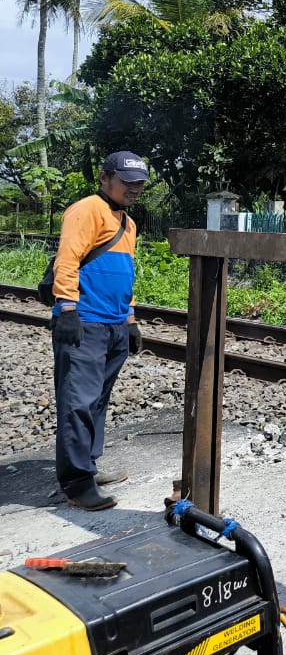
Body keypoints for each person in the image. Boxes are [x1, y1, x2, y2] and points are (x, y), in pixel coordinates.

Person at [51, 150, 149, 510]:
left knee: (97, 400)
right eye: (127, 182)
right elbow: (68, 259)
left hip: (113, 324)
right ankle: (76, 482)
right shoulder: (86, 210)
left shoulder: (128, 222)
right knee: (78, 401)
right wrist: (68, 308)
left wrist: (131, 319)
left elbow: (126, 275)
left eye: (139, 183)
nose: (134, 189)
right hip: (86, 322)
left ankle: (88, 466)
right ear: (105, 178)